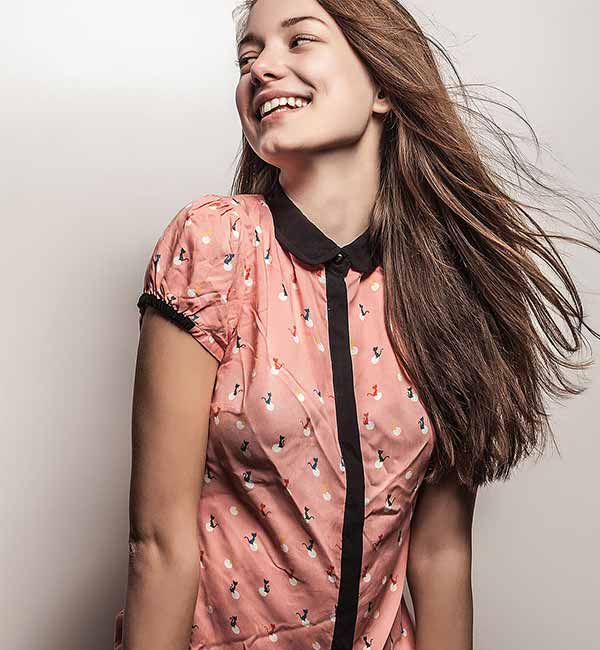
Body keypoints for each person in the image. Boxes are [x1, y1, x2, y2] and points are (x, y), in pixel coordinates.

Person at [113, 1, 600, 649]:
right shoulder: (215, 245)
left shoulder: (442, 287)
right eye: (249, 56)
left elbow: (441, 556)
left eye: (299, 41)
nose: (262, 69)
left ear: (382, 86)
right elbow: (159, 544)